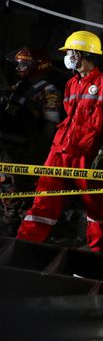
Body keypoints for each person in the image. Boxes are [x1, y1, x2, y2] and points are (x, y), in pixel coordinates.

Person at [17, 31, 103, 252]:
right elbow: (66, 118)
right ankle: (23, 247)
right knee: (43, 199)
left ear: (81, 54)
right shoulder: (71, 83)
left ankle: (98, 253)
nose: (68, 56)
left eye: (70, 52)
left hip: (86, 154)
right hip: (60, 150)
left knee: (94, 206)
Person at [0, 48, 62, 236]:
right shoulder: (19, 86)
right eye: (18, 63)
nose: (20, 67)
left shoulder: (49, 90)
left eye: (25, 64)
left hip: (25, 149)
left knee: (19, 191)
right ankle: (9, 224)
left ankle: (17, 231)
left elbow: (51, 125)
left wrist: (39, 152)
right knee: (5, 186)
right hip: (6, 146)